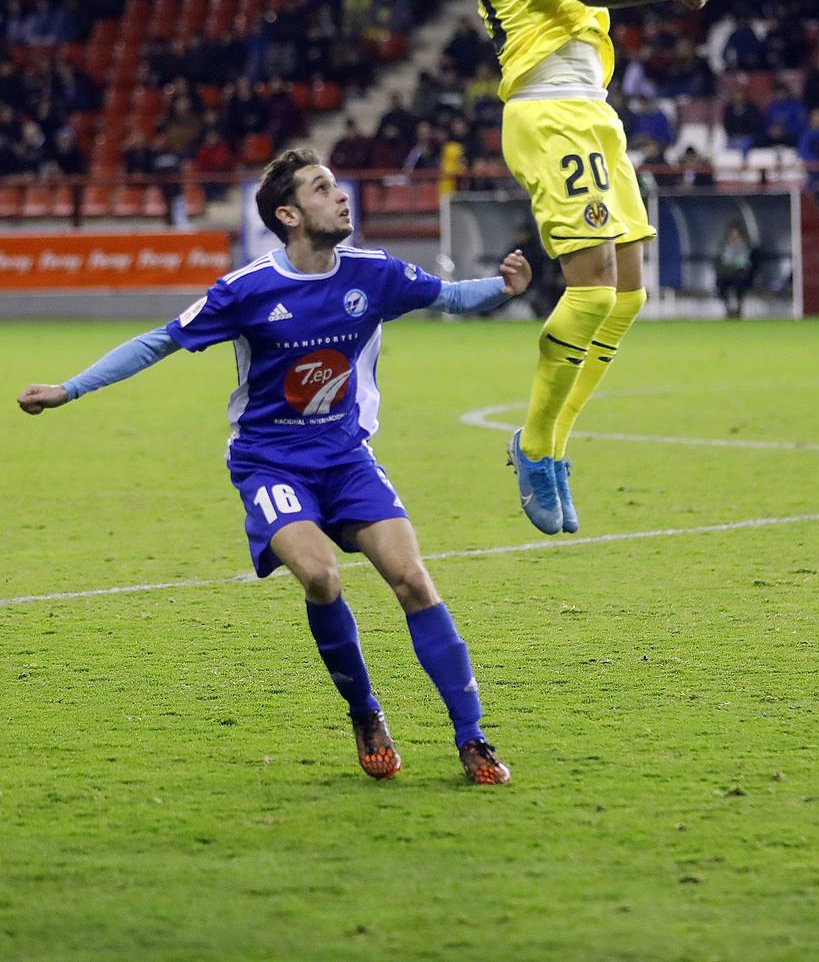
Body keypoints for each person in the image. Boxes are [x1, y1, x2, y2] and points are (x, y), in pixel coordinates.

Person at [17, 148, 530, 787]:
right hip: (270, 466)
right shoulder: (248, 289)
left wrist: (502, 290)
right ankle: (365, 713)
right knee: (321, 577)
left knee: (413, 581)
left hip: (346, 459)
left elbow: (451, 295)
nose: (341, 196)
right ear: (288, 214)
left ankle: (472, 737)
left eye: (338, 186)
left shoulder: (374, 274)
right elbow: (160, 340)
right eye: (322, 189)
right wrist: (70, 388)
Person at [465, 0, 718, 536]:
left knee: (628, 294)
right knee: (592, 285)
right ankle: (538, 447)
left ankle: (547, 444)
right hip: (546, 110)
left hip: (594, 112)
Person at [715, 221, 754, 319]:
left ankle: (738, 308)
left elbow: (744, 262)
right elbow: (725, 260)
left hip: (741, 273)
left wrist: (735, 263)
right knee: (720, 283)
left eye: (736, 234)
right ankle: (728, 308)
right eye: (732, 234)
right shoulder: (725, 246)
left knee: (740, 283)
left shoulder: (745, 246)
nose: (734, 237)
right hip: (727, 274)